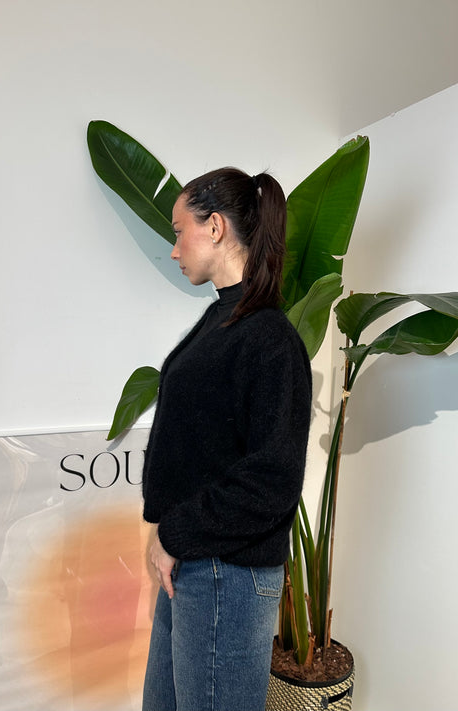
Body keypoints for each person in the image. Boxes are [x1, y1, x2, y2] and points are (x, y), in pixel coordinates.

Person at [141, 167, 312, 711]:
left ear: (215, 227)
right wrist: (171, 539)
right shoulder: (225, 318)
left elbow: (272, 479)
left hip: (227, 578)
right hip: (196, 564)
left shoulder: (269, 338)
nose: (174, 250)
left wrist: (175, 534)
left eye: (179, 231)